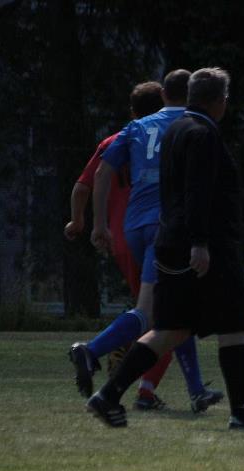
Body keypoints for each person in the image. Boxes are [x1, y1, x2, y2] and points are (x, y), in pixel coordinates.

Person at [85, 67, 244, 431]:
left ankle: (108, 395)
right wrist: (200, 243)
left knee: (170, 329)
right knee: (234, 325)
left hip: (168, 239)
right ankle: (240, 413)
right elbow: (198, 191)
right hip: (204, 245)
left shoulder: (174, 130)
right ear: (218, 100)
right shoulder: (203, 133)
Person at [69, 70, 223, 413]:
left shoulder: (135, 128)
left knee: (174, 310)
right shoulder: (188, 124)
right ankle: (92, 352)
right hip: (166, 226)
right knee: (151, 311)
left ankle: (194, 390)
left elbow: (100, 173)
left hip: (133, 227)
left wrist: (99, 225)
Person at [64, 81, 175, 410]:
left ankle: (127, 369)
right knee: (164, 317)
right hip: (156, 230)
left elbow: (84, 185)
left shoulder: (116, 139)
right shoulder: (171, 136)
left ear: (132, 110)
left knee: (154, 312)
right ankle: (128, 376)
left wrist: (80, 222)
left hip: (124, 237)